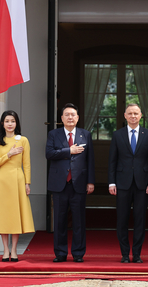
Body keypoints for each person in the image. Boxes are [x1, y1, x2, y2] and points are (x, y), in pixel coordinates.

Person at [108, 103, 148, 263]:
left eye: (136, 113)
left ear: (141, 115)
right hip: (122, 183)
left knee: (140, 219)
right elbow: (112, 161)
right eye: (130, 113)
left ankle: (137, 254)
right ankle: (124, 254)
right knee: (122, 219)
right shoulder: (117, 135)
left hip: (142, 184)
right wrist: (111, 183)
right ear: (125, 115)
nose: (133, 116)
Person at [45, 103, 95, 263]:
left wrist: (90, 181)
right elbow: (49, 154)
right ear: (62, 118)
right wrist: (69, 151)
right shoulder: (54, 134)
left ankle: (78, 253)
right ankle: (60, 253)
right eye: (67, 115)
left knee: (79, 220)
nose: (70, 117)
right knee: (59, 220)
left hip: (79, 183)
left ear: (78, 117)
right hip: (59, 183)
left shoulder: (85, 134)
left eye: (73, 114)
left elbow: (90, 160)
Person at [0, 110, 34, 262]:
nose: (10, 124)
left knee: (15, 215)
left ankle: (14, 250)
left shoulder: (23, 140)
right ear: (2, 123)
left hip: (18, 180)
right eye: (7, 121)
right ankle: (5, 249)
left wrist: (27, 183)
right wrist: (9, 154)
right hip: (2, 181)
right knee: (4, 215)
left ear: (16, 123)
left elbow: (27, 164)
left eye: (12, 121)